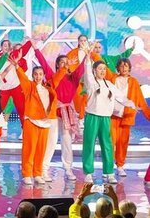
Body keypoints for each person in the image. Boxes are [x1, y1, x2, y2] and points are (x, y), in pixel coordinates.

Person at [81, 42, 135, 184]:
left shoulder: (110, 85)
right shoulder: (91, 83)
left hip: (105, 118)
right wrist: (88, 58)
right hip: (92, 117)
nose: (103, 71)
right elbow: (87, 72)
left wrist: (132, 104)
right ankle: (88, 172)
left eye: (104, 69)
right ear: (94, 71)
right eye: (100, 69)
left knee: (107, 145)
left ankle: (109, 172)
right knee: (89, 144)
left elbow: (121, 98)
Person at [9, 51, 66, 185]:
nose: (38, 76)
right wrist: (17, 66)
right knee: (29, 149)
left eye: (40, 74)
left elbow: (58, 77)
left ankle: (38, 173)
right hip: (31, 121)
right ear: (33, 75)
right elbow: (23, 78)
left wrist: (64, 67)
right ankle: (27, 174)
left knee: (41, 150)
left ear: (44, 75)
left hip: (45, 123)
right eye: (35, 74)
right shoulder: (29, 86)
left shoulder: (49, 87)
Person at [33, 45, 86, 181]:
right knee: (50, 141)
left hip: (67, 112)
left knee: (67, 141)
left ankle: (68, 169)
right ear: (57, 65)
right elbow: (43, 63)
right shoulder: (52, 76)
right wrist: (35, 48)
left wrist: (88, 54)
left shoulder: (73, 78)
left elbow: (81, 68)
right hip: (53, 112)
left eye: (67, 62)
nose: (65, 64)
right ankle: (43, 169)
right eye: (62, 62)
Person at [104, 58, 148, 177]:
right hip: (112, 116)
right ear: (118, 68)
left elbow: (141, 100)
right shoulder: (113, 79)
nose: (124, 68)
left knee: (122, 143)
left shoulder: (133, 81)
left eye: (126, 66)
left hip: (126, 117)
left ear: (129, 68)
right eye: (122, 66)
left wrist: (148, 115)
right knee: (110, 142)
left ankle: (120, 166)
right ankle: (108, 167)